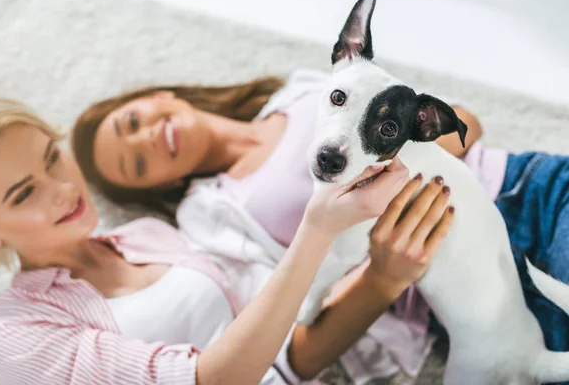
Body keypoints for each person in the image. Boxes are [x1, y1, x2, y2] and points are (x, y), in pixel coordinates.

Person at [73, 68, 569, 380]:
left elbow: (462, 120)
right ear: (158, 186)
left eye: (130, 123)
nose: (144, 143)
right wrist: (384, 268)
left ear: (160, 94)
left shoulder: (304, 91)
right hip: (460, 299)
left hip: (523, 191)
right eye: (134, 165)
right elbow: (297, 304)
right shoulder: (206, 213)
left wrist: (406, 183)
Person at [0, 95, 453, 385]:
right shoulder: (10, 336)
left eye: (52, 158)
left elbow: (289, 352)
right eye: (25, 193)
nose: (63, 190)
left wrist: (384, 277)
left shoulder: (148, 236)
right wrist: (318, 226)